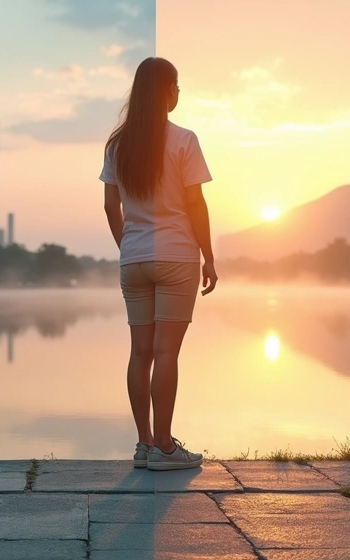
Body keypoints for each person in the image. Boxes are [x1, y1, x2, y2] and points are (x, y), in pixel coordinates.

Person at [100, 57, 217, 472]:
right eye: (177, 85)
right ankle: (166, 448)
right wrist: (209, 255)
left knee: (140, 353)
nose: (179, 92)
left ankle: (145, 444)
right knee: (167, 352)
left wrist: (127, 245)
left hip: (133, 259)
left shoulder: (118, 145)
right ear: (166, 91)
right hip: (176, 256)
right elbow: (195, 204)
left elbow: (111, 206)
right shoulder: (183, 140)